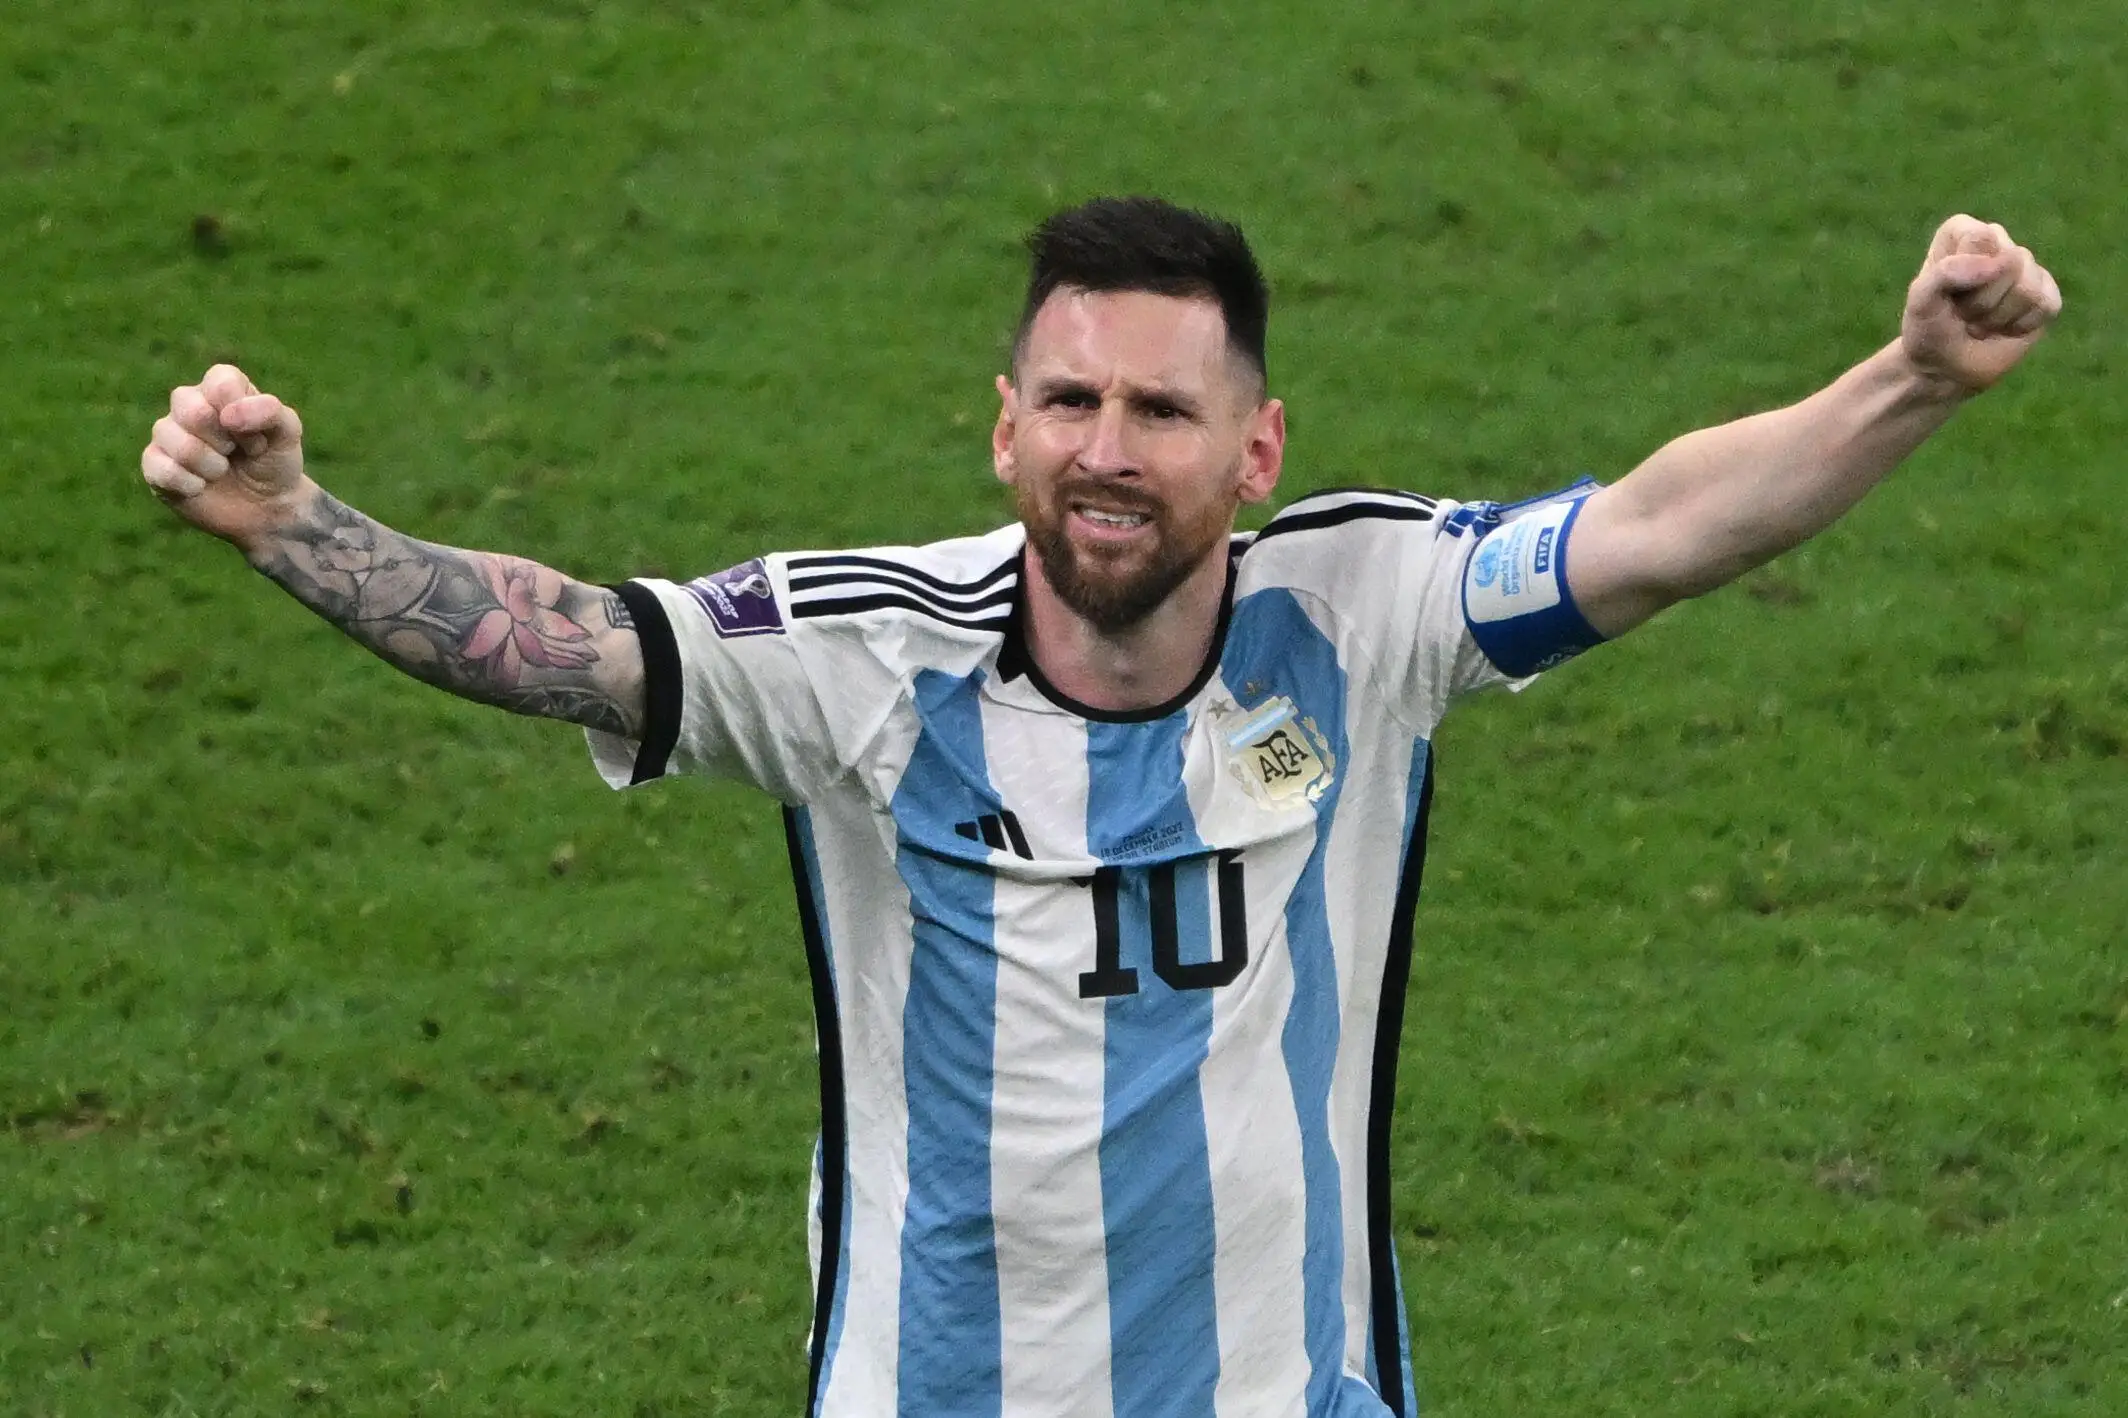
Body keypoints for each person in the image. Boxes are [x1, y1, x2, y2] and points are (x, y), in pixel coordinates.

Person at [140, 197, 2061, 1418]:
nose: (1107, 455)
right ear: (1003, 425)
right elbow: (562, 642)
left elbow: (1660, 526)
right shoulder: (860, 653)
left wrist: (1911, 377)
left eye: (1159, 411)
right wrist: (301, 528)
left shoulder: (1367, 611)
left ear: (1258, 443)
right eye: (1069, 405)